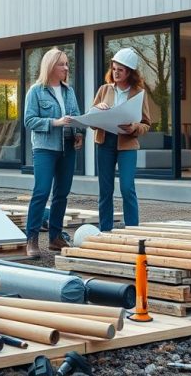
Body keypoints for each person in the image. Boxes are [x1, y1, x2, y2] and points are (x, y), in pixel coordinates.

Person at [22, 48, 84, 257]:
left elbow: (75, 116)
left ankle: (55, 238)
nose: (66, 68)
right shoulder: (36, 91)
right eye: (62, 64)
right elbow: (29, 120)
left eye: (67, 64)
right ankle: (31, 239)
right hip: (44, 149)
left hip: (67, 148)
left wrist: (78, 133)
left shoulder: (69, 91)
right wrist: (54, 122)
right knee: (41, 192)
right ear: (50, 66)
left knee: (62, 194)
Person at [91, 48, 152, 232]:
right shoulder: (104, 89)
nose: (116, 73)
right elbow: (92, 121)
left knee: (127, 188)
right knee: (105, 190)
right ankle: (105, 230)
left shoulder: (139, 93)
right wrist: (96, 110)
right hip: (105, 143)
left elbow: (146, 124)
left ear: (130, 73)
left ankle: (133, 230)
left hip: (127, 144)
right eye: (114, 69)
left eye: (121, 70)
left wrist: (135, 127)